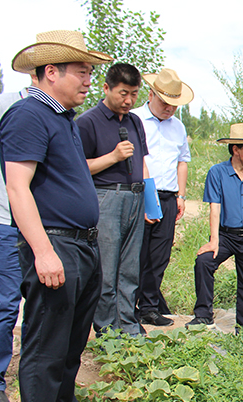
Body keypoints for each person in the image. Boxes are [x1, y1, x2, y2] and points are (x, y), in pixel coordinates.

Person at [0, 30, 112, 402]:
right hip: (56, 245)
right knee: (46, 344)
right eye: (82, 73)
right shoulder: (29, 115)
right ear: (51, 72)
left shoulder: (61, 118)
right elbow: (18, 188)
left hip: (81, 244)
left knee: (72, 339)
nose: (88, 81)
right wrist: (44, 250)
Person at [77, 62, 150, 336]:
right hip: (105, 198)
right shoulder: (87, 122)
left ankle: (129, 326)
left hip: (135, 198)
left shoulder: (135, 122)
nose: (129, 100)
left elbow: (143, 163)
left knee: (130, 269)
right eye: (123, 93)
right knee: (106, 270)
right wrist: (113, 157)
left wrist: (149, 201)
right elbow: (78, 168)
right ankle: (107, 331)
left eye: (134, 93)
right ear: (106, 88)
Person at [187, 123, 243, 329]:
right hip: (226, 236)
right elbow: (214, 208)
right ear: (235, 149)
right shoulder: (217, 173)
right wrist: (214, 240)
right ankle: (203, 316)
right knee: (204, 262)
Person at [133, 68, 193, 327]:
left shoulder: (178, 127)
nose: (170, 109)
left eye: (174, 105)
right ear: (151, 94)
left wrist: (181, 195)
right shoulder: (133, 120)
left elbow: (183, 161)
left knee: (159, 255)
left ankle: (148, 306)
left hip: (169, 197)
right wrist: (146, 199)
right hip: (139, 194)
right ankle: (127, 306)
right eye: (165, 103)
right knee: (135, 254)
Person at [0, 81, 35, 402]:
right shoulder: (0, 106)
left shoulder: (56, 117)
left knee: (30, 298)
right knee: (5, 301)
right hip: (2, 218)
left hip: (32, 223)